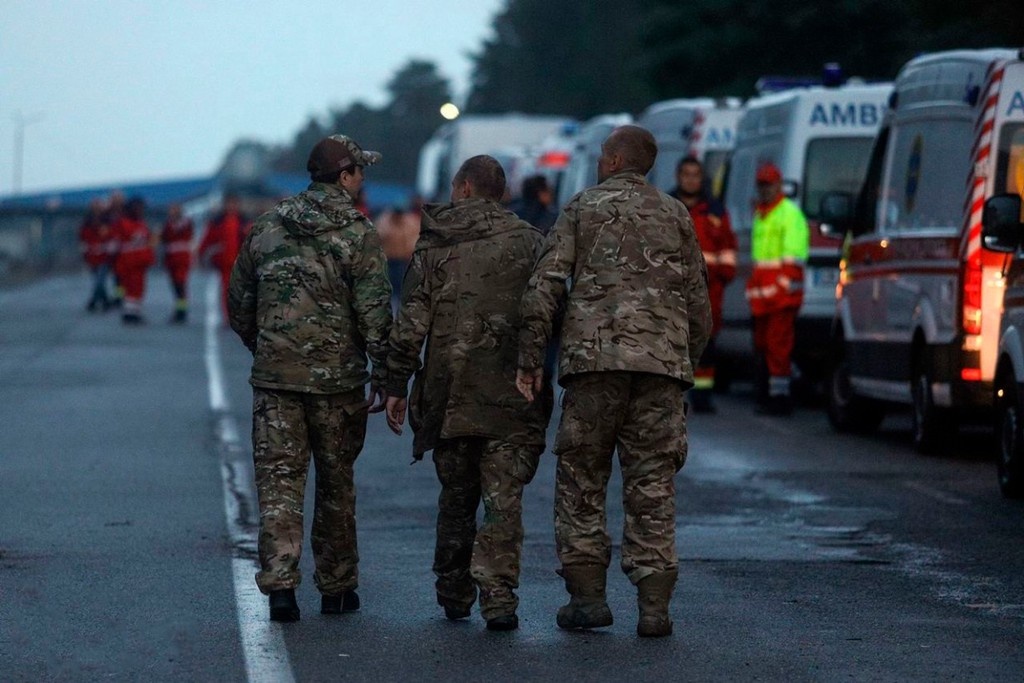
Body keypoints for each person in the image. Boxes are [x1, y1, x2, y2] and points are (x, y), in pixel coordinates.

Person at [516, 125, 710, 638]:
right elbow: (698, 301)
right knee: (652, 482)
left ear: (616, 159)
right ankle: (653, 606)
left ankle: (587, 599)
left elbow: (546, 286)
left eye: (604, 153)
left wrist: (531, 357)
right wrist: (682, 359)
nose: (601, 159)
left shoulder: (582, 208)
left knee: (582, 477)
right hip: (660, 369)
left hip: (593, 366)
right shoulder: (675, 214)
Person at [227, 134, 392, 623]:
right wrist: (386, 373)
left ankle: (281, 589)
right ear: (344, 176)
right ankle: (338, 588)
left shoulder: (267, 226)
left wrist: (265, 347)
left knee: (279, 485)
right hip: (338, 385)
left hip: (277, 382)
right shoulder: (358, 233)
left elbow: (240, 302)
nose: (363, 179)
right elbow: (375, 313)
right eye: (359, 171)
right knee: (337, 485)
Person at [384, 155, 552, 632]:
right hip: (514, 397)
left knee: (456, 496)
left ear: (461, 188)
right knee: (504, 500)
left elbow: (412, 323)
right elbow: (549, 312)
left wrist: (395, 385)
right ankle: (499, 597)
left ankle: (453, 590)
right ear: (499, 193)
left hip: (449, 394)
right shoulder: (532, 243)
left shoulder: (435, 245)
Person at [669, 156, 738, 413]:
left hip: (709, 291)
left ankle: (703, 397)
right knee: (673, 343)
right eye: (686, 174)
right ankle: (673, 396)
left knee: (706, 345)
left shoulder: (715, 211)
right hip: (671, 289)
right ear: (678, 176)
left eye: (695, 174)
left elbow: (728, 247)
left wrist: (724, 274)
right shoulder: (667, 205)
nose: (690, 179)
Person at [744, 162, 809, 416]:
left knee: (777, 347)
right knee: (764, 346)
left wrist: (779, 288)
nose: (765, 189)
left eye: (769, 184)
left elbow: (793, 260)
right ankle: (770, 394)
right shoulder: (762, 214)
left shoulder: (788, 214)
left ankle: (780, 398)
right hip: (764, 297)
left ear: (779, 185)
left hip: (781, 297)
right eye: (761, 184)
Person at [199, 193, 248, 316]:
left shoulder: (244, 222)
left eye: (234, 203)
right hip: (224, 262)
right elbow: (206, 240)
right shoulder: (217, 222)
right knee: (227, 289)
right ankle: (229, 315)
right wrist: (201, 257)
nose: (231, 206)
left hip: (241, 262)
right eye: (229, 204)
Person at [112, 197, 156, 325]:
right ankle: (130, 313)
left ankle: (134, 312)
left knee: (138, 287)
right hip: (129, 261)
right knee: (131, 287)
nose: (140, 211)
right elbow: (117, 241)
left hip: (140, 261)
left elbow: (148, 239)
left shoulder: (141, 223)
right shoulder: (123, 223)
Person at [375, 196, 422, 312]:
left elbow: (415, 242)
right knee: (385, 290)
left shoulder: (411, 222)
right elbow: (378, 237)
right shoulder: (384, 221)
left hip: (404, 262)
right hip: (387, 261)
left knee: (401, 291)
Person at [160, 203, 194, 324]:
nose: (172, 212)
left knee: (180, 283)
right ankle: (179, 309)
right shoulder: (168, 224)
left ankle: (181, 311)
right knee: (175, 284)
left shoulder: (185, 223)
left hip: (181, 258)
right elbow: (163, 239)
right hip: (171, 258)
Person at [79, 198, 112, 312]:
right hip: (92, 256)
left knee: (100, 280)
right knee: (97, 280)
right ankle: (105, 300)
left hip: (104, 255)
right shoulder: (87, 222)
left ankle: (93, 301)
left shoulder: (107, 221)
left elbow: (111, 236)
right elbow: (83, 237)